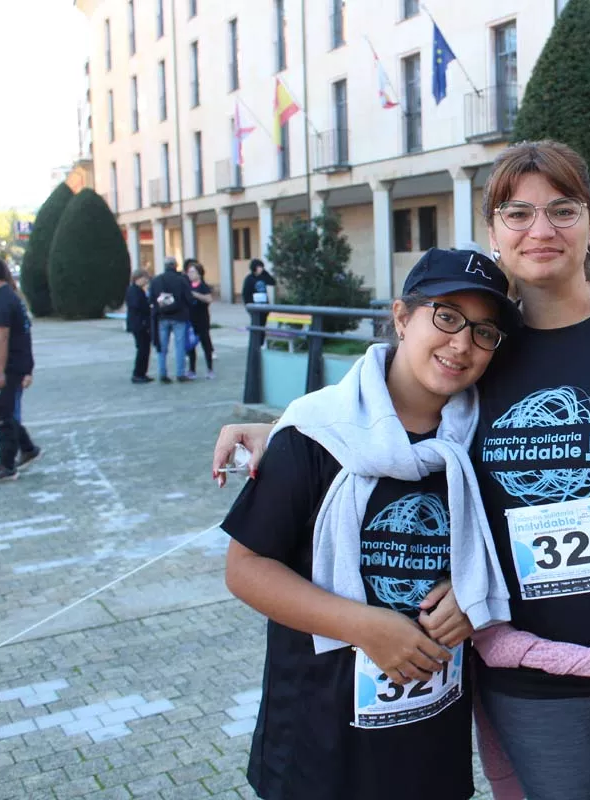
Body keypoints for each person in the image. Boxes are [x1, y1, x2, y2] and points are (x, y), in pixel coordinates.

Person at [214, 141, 590, 800]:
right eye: (518, 213)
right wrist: (286, 429)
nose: (541, 230)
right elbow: (388, 416)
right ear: (495, 230)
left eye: (562, 211)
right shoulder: (486, 351)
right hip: (532, 680)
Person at [218, 248, 518, 800]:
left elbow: (499, 548)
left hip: (430, 733)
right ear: (403, 317)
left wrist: (473, 590)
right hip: (317, 736)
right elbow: (246, 569)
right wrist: (363, 626)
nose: (460, 344)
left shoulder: (481, 442)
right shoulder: (313, 435)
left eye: (484, 332)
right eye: (446, 316)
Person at [0, 256, 40, 483]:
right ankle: (28, 448)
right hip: (13, 365)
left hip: (7, 367)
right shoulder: (8, 297)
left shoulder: (1, 300)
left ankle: (7, 464)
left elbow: (2, 337)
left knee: (2, 415)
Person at [148, 257, 194, 384]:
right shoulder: (181, 280)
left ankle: (162, 373)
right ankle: (180, 374)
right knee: (180, 346)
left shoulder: (156, 281)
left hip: (162, 317)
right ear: (175, 265)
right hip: (179, 317)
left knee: (162, 347)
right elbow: (189, 298)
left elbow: (151, 299)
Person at [185, 260, 215, 379]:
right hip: (190, 320)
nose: (190, 274)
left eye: (192, 272)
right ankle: (192, 370)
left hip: (202, 320)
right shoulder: (186, 285)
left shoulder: (203, 286)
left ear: (199, 273)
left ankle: (210, 369)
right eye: (189, 272)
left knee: (206, 344)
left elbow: (209, 299)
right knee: (191, 346)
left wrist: (195, 295)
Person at [125, 269, 153, 384]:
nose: (146, 281)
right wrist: (148, 305)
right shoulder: (133, 290)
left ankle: (142, 373)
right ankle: (138, 374)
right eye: (145, 279)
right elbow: (137, 305)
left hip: (140, 323)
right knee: (142, 349)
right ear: (139, 278)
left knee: (145, 349)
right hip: (139, 324)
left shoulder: (137, 290)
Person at [242, 259, 277, 347]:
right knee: (256, 326)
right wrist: (248, 306)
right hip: (255, 306)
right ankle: (255, 344)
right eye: (259, 267)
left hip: (264, 305)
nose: (261, 269)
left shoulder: (263, 276)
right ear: (254, 268)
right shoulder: (249, 279)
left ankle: (261, 344)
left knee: (262, 326)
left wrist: (266, 273)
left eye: (262, 267)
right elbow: (245, 293)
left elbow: (273, 282)